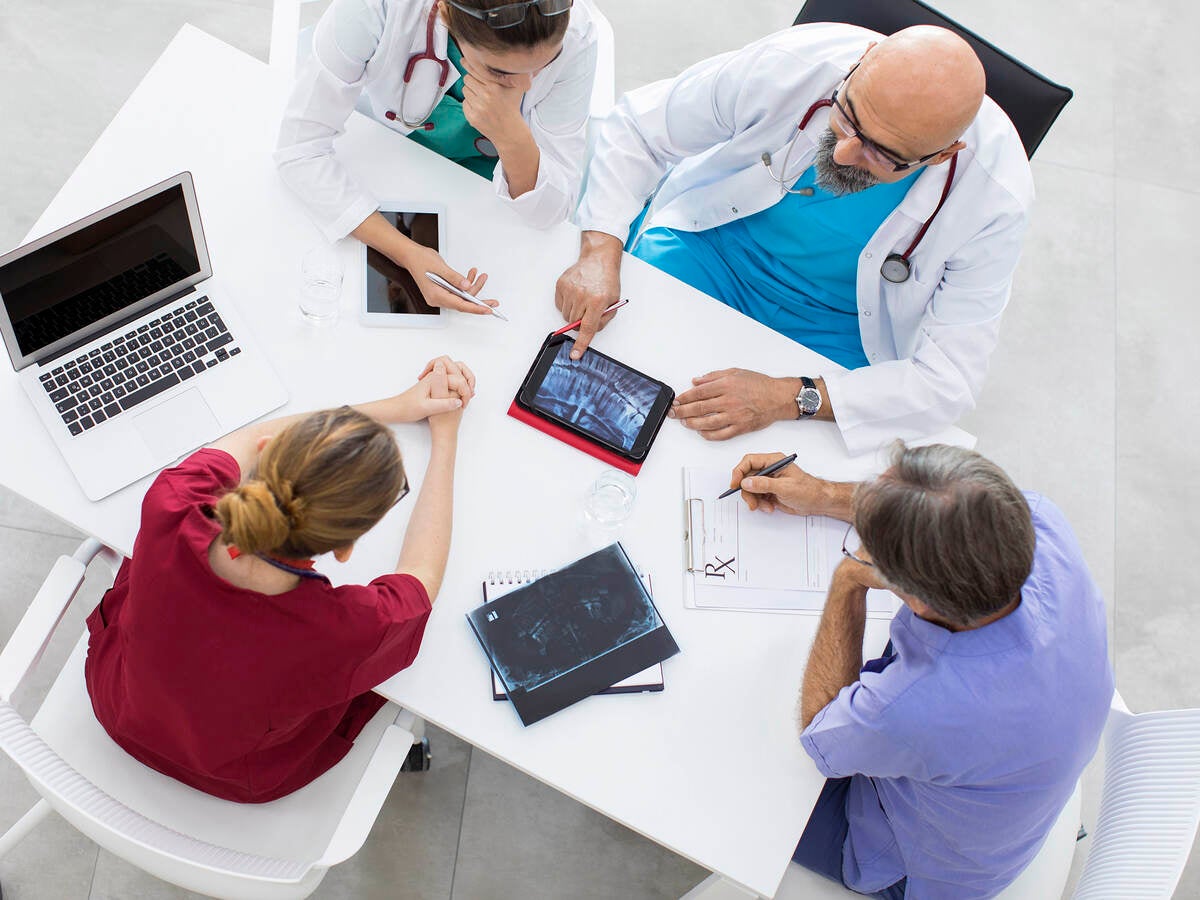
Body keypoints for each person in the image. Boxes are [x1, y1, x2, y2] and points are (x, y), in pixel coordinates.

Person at [556, 24, 1033, 455]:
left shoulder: (996, 196)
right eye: (848, 116)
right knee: (605, 384)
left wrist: (788, 397)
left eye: (881, 154)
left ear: (941, 155)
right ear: (861, 61)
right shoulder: (796, 63)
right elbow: (641, 127)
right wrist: (599, 252)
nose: (845, 152)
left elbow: (950, 380)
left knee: (743, 468)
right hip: (712, 251)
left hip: (842, 331)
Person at [728, 444, 1112, 898]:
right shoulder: (1040, 525)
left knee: (729, 769)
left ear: (914, 598)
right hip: (1015, 790)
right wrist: (825, 494)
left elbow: (821, 731)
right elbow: (950, 509)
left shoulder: (920, 704)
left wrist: (848, 580)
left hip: (912, 868)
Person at [85, 357, 475, 803]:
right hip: (237, 777)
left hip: (118, 709)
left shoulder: (172, 503)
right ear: (345, 550)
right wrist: (445, 439)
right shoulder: (346, 629)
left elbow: (246, 441)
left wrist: (392, 406)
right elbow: (421, 577)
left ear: (270, 450)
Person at [276, 0, 599, 316]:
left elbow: (551, 210)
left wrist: (511, 135)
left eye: (546, 63)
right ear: (444, 11)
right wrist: (407, 253)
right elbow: (301, 151)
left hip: (487, 190)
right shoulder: (374, 7)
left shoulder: (576, 31)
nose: (528, 84)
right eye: (500, 70)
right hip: (384, 150)